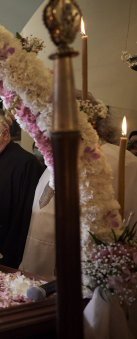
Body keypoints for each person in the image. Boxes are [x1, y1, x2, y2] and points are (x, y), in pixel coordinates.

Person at [21, 93, 137, 279]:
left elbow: (129, 218)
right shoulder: (56, 158)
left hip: (86, 271)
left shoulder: (122, 161)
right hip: (38, 267)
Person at [0, 107, 43, 269]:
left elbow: (25, 215)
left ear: (5, 133)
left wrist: (9, 257)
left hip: (6, 251)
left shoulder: (26, 164)